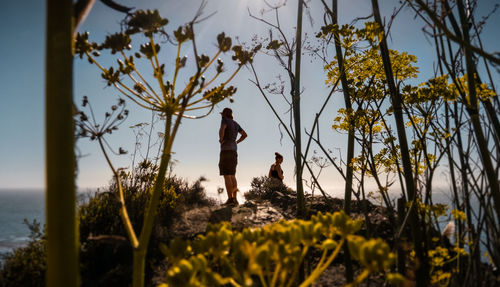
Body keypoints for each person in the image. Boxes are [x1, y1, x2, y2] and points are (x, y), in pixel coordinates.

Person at [219, 107, 247, 206]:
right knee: (232, 175)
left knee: (226, 175)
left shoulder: (224, 120)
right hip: (234, 151)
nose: (221, 115)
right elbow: (244, 135)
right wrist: (236, 142)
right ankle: (235, 199)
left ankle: (230, 199)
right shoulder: (235, 123)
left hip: (226, 150)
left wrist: (221, 140)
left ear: (224, 114)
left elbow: (222, 129)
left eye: (222, 113)